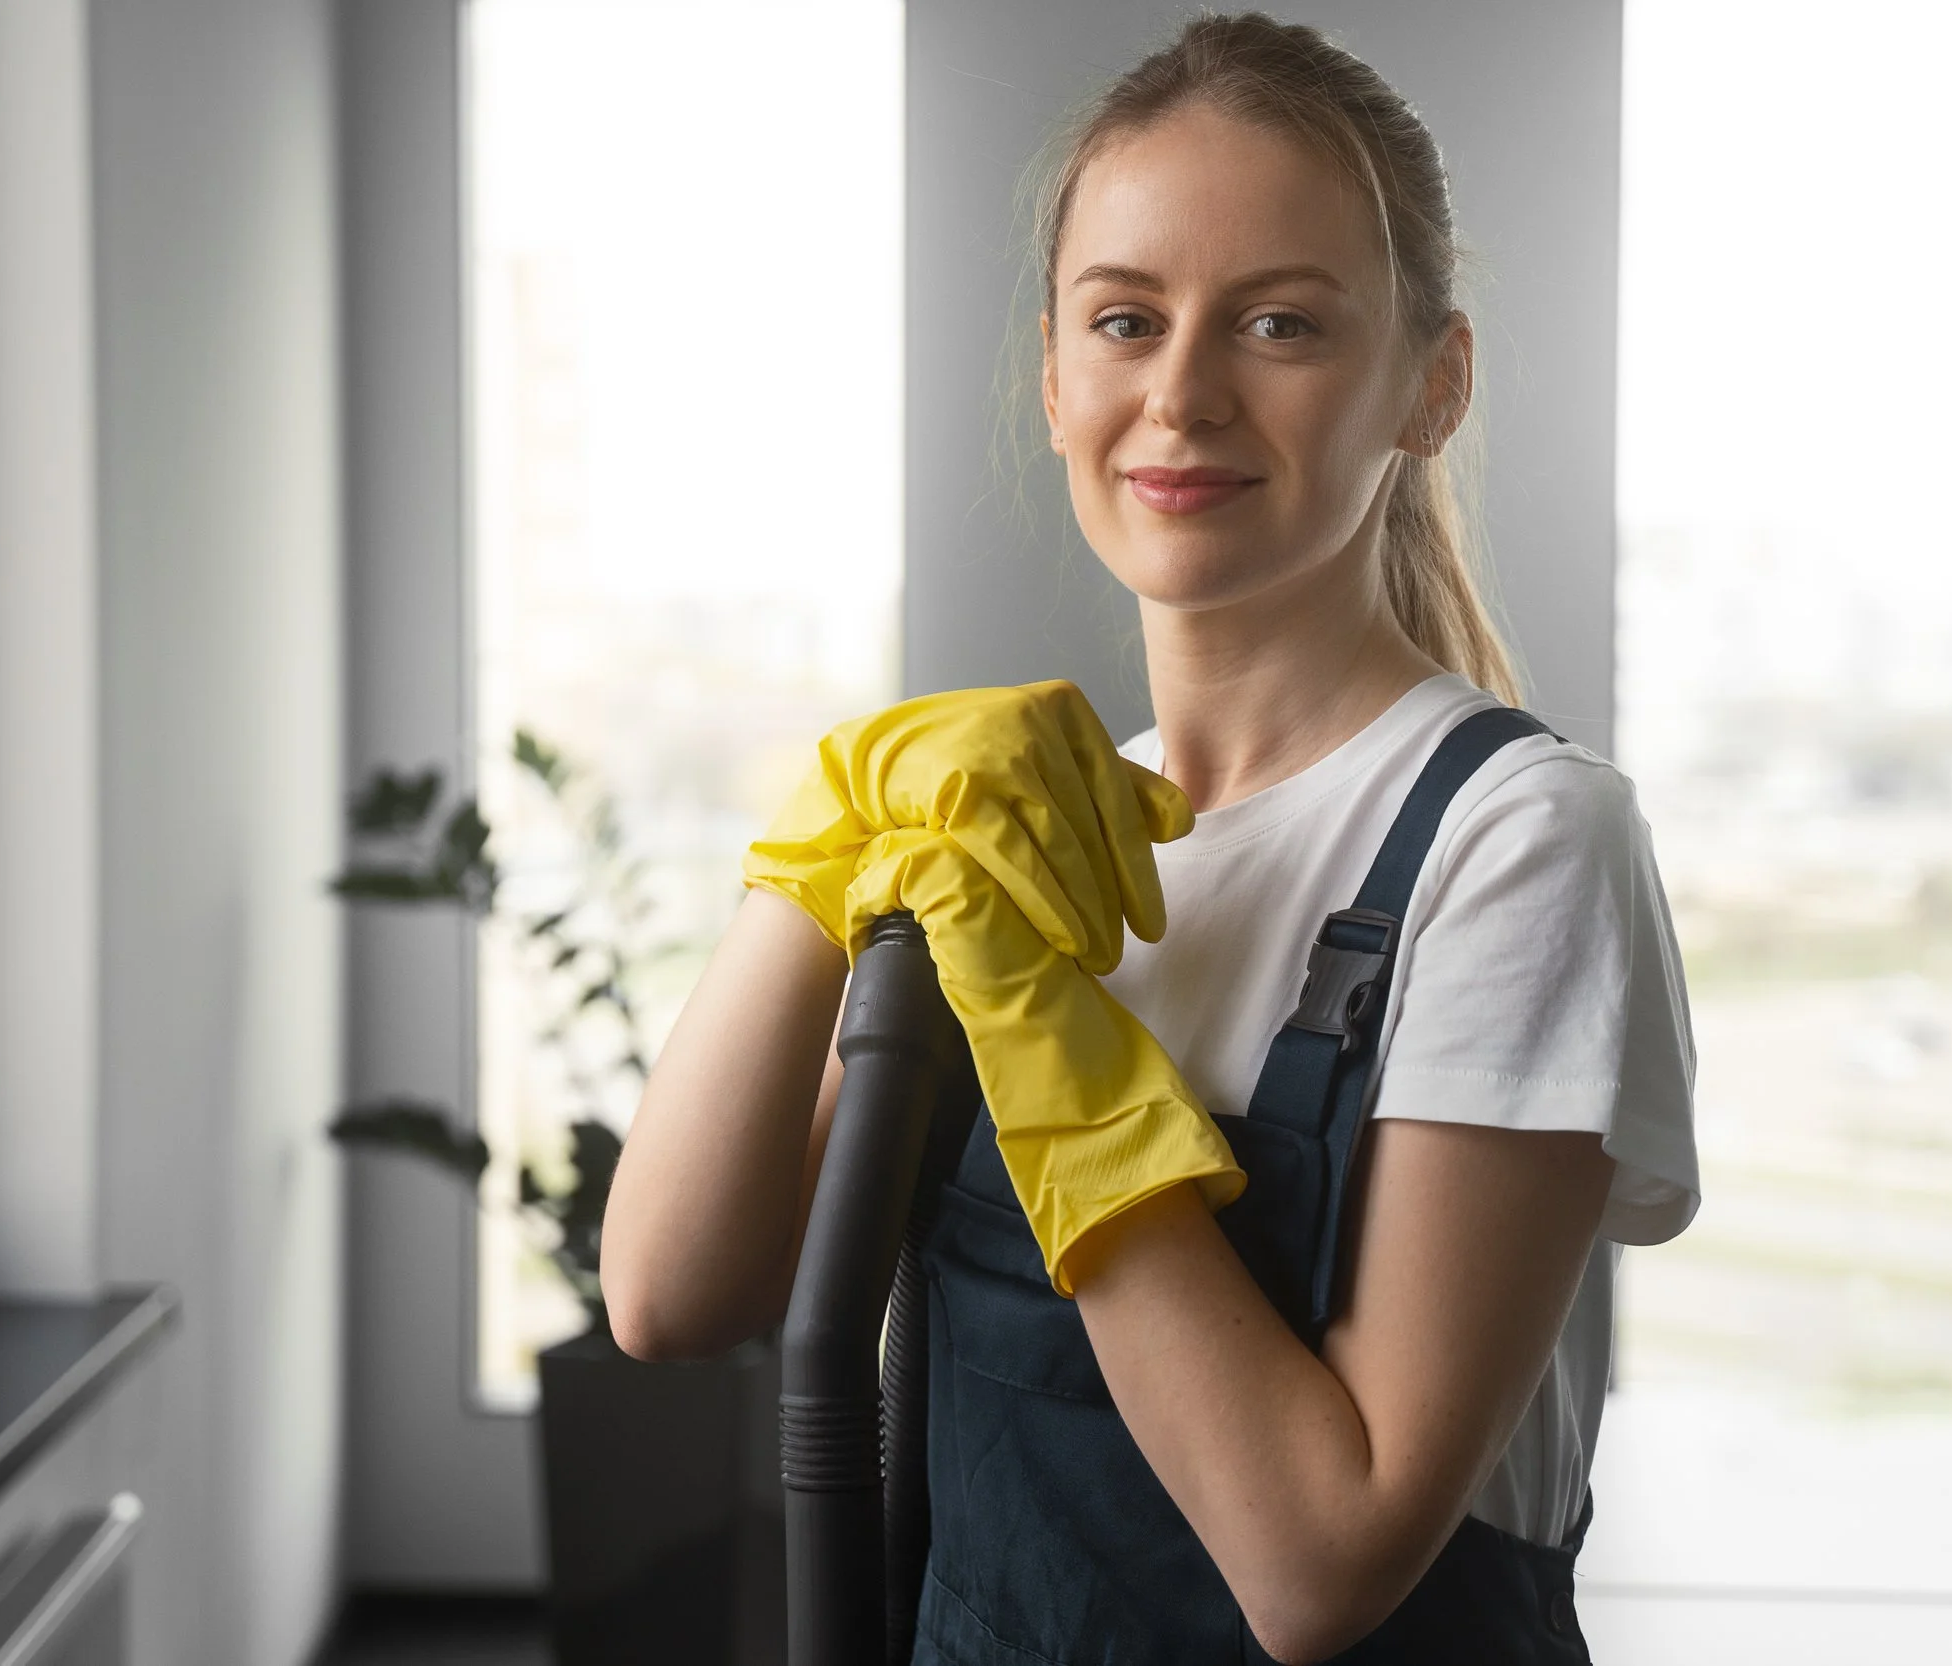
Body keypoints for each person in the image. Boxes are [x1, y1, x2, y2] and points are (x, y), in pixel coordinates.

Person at [599, 12, 1699, 1664]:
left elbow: (1321, 1563)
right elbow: (674, 1291)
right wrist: (829, 828)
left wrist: (1065, 1069)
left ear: (1431, 382)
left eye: (1279, 323)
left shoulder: (1517, 847)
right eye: (1125, 319)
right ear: (1053, 377)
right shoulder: (1009, 832)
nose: (1182, 394)